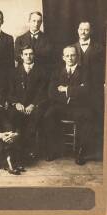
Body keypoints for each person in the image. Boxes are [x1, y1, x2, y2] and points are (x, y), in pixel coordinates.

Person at [44, 46, 92, 165]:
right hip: (61, 106)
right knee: (48, 115)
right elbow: (51, 92)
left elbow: (87, 91)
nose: (70, 58)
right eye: (67, 56)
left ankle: (80, 152)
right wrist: (75, 92)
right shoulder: (56, 72)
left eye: (73, 55)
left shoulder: (85, 71)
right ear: (63, 57)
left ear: (77, 56)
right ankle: (53, 150)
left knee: (88, 116)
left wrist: (66, 89)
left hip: (79, 107)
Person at [8, 45, 47, 160]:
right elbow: (10, 92)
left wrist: (33, 105)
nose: (28, 56)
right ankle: (15, 149)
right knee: (12, 116)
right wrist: (16, 103)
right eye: (25, 54)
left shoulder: (42, 72)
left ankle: (31, 150)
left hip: (35, 105)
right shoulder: (14, 72)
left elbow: (43, 92)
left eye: (30, 54)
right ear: (21, 56)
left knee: (35, 118)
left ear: (34, 55)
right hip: (19, 105)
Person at [72, 21, 105, 157]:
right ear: (77, 30)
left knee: (94, 117)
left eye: (86, 30)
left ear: (90, 31)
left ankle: (90, 149)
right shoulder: (71, 48)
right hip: (77, 91)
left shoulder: (99, 48)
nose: (83, 32)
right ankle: (79, 149)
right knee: (80, 116)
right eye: (81, 29)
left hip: (94, 90)